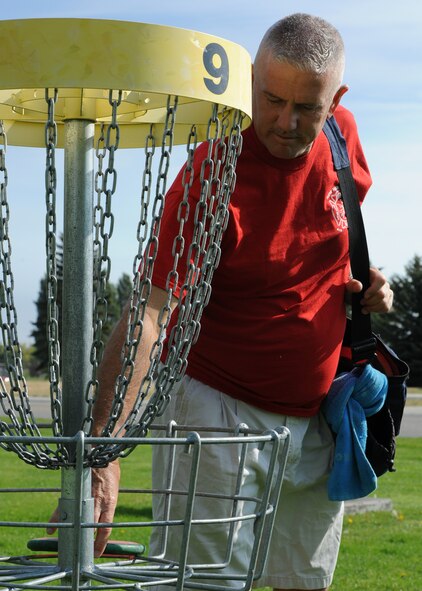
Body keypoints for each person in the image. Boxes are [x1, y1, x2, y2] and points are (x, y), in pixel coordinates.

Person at [49, 12, 394, 591]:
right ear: (250, 79)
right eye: (271, 98)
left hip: (316, 419)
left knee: (305, 581)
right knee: (204, 584)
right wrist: (104, 453)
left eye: (307, 106)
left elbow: (321, 234)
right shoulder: (213, 172)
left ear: (336, 99)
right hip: (218, 416)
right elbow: (150, 314)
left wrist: (366, 278)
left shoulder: (343, 137)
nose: (285, 122)